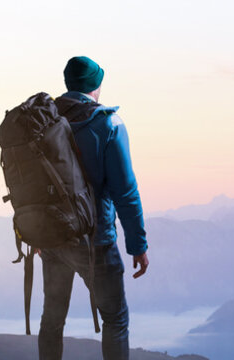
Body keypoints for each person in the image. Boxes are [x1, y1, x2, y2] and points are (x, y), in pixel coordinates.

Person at [36, 56, 149, 360]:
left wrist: (37, 234)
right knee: (115, 319)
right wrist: (137, 244)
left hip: (54, 239)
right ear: (96, 85)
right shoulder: (107, 123)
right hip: (95, 242)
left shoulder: (43, 120)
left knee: (52, 318)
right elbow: (126, 191)